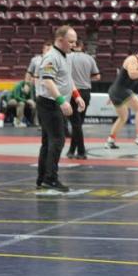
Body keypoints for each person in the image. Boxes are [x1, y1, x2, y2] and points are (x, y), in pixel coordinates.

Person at [36, 26, 85, 192]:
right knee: (57, 140)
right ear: (60, 40)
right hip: (49, 104)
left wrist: (76, 95)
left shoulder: (67, 56)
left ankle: (43, 178)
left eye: (75, 41)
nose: (74, 44)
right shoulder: (51, 57)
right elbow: (48, 81)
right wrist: (62, 101)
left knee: (48, 141)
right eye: (71, 41)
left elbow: (67, 78)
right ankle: (50, 178)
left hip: (55, 102)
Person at [104, 45, 138, 150]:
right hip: (120, 90)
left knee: (123, 117)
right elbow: (132, 75)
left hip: (116, 91)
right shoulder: (132, 59)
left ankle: (110, 141)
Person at [66, 43, 100, 159]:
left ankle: (81, 151)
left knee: (76, 124)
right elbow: (97, 77)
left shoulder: (67, 57)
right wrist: (85, 77)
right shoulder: (89, 58)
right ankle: (71, 150)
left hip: (73, 92)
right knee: (78, 123)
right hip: (86, 93)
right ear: (82, 46)